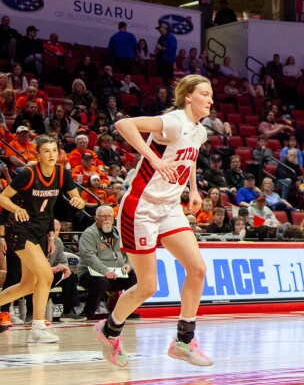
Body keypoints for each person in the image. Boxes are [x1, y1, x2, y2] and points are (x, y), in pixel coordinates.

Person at [95, 74, 214, 367]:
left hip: (170, 206)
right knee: (148, 286)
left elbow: (191, 155)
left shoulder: (199, 131)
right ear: (188, 97)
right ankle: (109, 330)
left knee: (197, 269)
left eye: (211, 94)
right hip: (141, 208)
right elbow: (124, 124)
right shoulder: (172, 121)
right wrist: (154, 159)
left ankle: (183, 341)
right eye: (205, 93)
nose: (210, 99)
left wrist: (194, 189)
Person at [0, 135, 86, 338]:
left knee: (28, 285)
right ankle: (38, 328)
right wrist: (15, 209)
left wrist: (79, 202)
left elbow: (77, 197)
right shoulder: (28, 173)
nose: (51, 155)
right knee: (46, 275)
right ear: (38, 154)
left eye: (54, 151)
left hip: (39, 229)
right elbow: (3, 197)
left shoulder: (62, 173)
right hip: (19, 227)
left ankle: (37, 326)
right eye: (46, 151)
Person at [77, 205, 138, 319]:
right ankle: (87, 313)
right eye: (103, 216)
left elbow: (130, 252)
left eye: (109, 216)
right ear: (96, 219)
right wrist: (105, 271)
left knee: (134, 277)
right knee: (101, 282)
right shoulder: (89, 233)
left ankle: (125, 311)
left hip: (117, 272)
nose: (107, 219)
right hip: (90, 272)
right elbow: (89, 256)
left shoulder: (118, 232)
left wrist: (128, 265)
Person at [154, 21, 177, 88]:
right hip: (160, 62)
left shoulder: (171, 38)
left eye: (160, 28)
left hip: (167, 63)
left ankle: (168, 94)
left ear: (165, 28)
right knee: (160, 80)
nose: (159, 30)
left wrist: (162, 48)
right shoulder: (161, 38)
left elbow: (172, 50)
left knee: (167, 81)